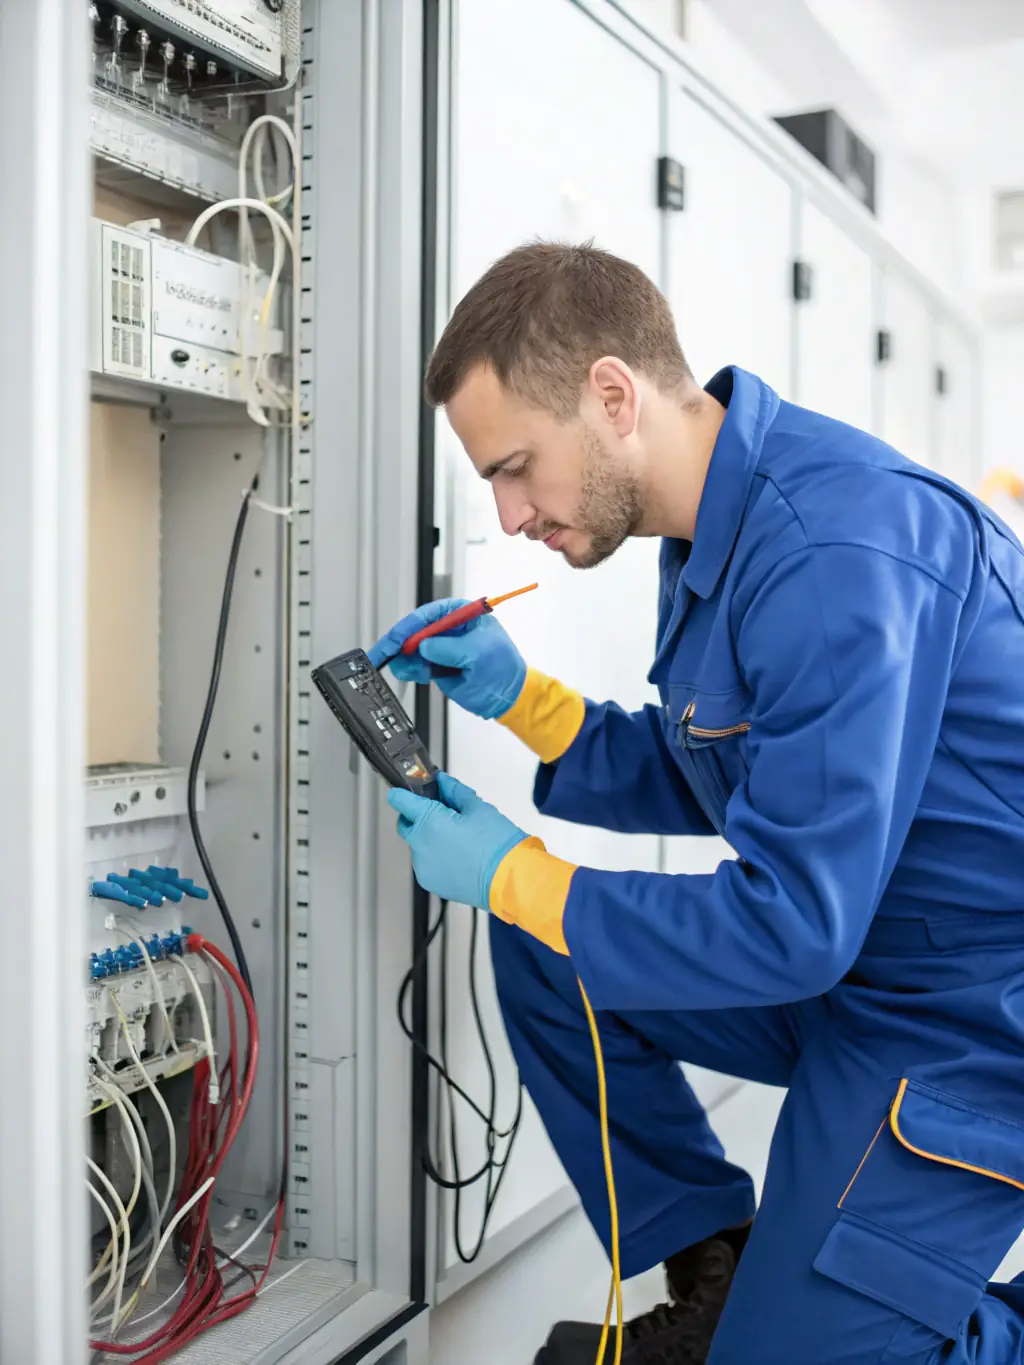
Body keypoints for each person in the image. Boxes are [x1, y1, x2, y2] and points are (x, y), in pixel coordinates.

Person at [368, 242, 1024, 1365]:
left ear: (612, 395)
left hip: (969, 1019)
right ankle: (722, 1272)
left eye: (516, 466)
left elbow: (789, 923)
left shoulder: (829, 548)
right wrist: (521, 699)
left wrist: (521, 872)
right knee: (544, 951)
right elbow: (728, 773)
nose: (510, 512)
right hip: (858, 965)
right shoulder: (717, 528)